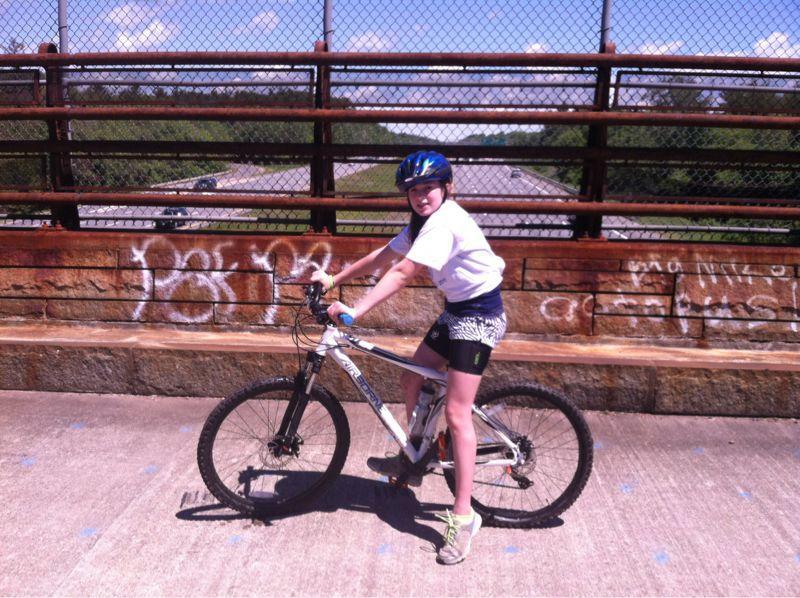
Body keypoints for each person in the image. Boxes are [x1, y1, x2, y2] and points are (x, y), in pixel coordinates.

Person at [311, 150, 506, 565]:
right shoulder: (421, 223)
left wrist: (355, 311)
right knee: (411, 378)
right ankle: (418, 455)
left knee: (458, 414)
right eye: (413, 190)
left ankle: (463, 517)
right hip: (457, 311)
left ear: (446, 188)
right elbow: (382, 258)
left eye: (429, 188)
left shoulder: (445, 223)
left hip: (480, 316)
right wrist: (333, 279)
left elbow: (402, 273)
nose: (421, 196)